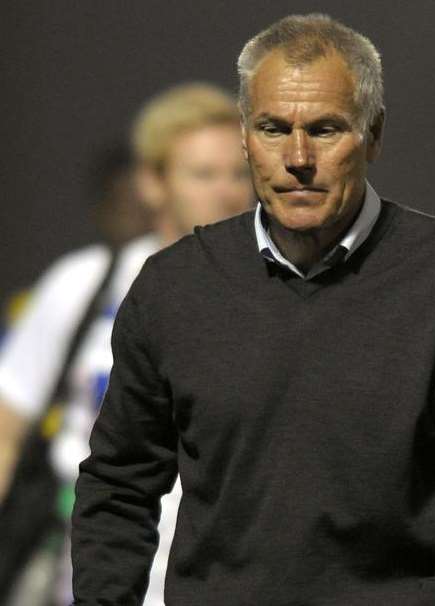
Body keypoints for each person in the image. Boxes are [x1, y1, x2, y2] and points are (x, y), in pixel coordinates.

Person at [71, 13, 435, 606]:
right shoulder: (175, 286)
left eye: (324, 130)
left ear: (373, 134)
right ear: (245, 139)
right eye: (273, 129)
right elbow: (119, 484)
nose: (297, 156)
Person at [0, 82, 252, 605]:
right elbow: (7, 430)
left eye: (240, 173)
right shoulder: (85, 285)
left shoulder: (278, 294)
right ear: (153, 182)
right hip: (100, 583)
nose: (226, 192)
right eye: (203, 174)